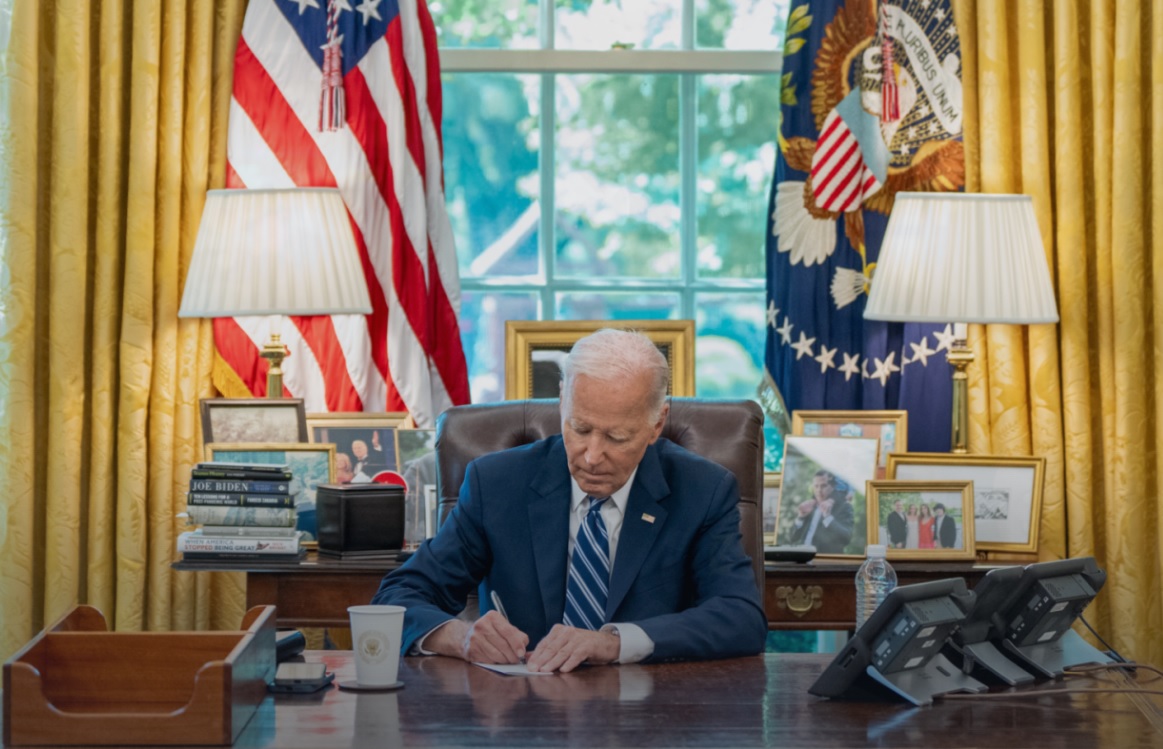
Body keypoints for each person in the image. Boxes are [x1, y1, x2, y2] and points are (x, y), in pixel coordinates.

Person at [371, 328, 767, 672]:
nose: (592, 455)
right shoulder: (497, 484)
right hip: (523, 714)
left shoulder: (702, 490)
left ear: (657, 424)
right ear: (562, 400)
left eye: (617, 437)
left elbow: (740, 618)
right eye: (579, 428)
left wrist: (614, 643)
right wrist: (459, 637)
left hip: (651, 714)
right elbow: (398, 596)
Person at [789, 470, 854, 554]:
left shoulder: (845, 507)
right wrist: (800, 517)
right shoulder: (809, 506)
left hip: (826, 563)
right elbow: (792, 538)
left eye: (824, 486)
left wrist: (828, 518)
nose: (819, 490)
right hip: (802, 560)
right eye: (816, 486)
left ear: (833, 487)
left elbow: (846, 538)